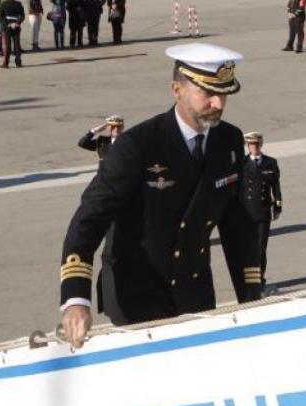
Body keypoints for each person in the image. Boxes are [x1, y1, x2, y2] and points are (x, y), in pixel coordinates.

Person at [59, 43, 261, 346]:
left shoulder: (229, 141)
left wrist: (252, 297)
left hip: (194, 291)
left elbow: (237, 227)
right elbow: (88, 220)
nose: (218, 103)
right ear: (177, 89)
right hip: (137, 295)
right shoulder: (137, 146)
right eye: (208, 93)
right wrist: (76, 299)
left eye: (224, 94)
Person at [234, 131, 281, 298]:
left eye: (256, 144)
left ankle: (260, 279)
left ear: (260, 145)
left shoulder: (270, 163)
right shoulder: (241, 163)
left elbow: (276, 187)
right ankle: (249, 281)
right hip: (246, 213)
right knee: (247, 249)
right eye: (251, 145)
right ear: (248, 146)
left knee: (261, 249)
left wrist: (277, 206)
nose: (254, 147)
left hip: (262, 212)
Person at [0, 0, 21, 68]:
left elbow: (1, 16)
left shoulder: (3, 4)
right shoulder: (18, 4)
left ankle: (6, 63)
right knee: (17, 45)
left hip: (7, 27)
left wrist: (8, 24)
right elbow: (22, 15)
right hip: (16, 26)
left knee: (8, 45)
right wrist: (17, 23)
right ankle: (18, 62)